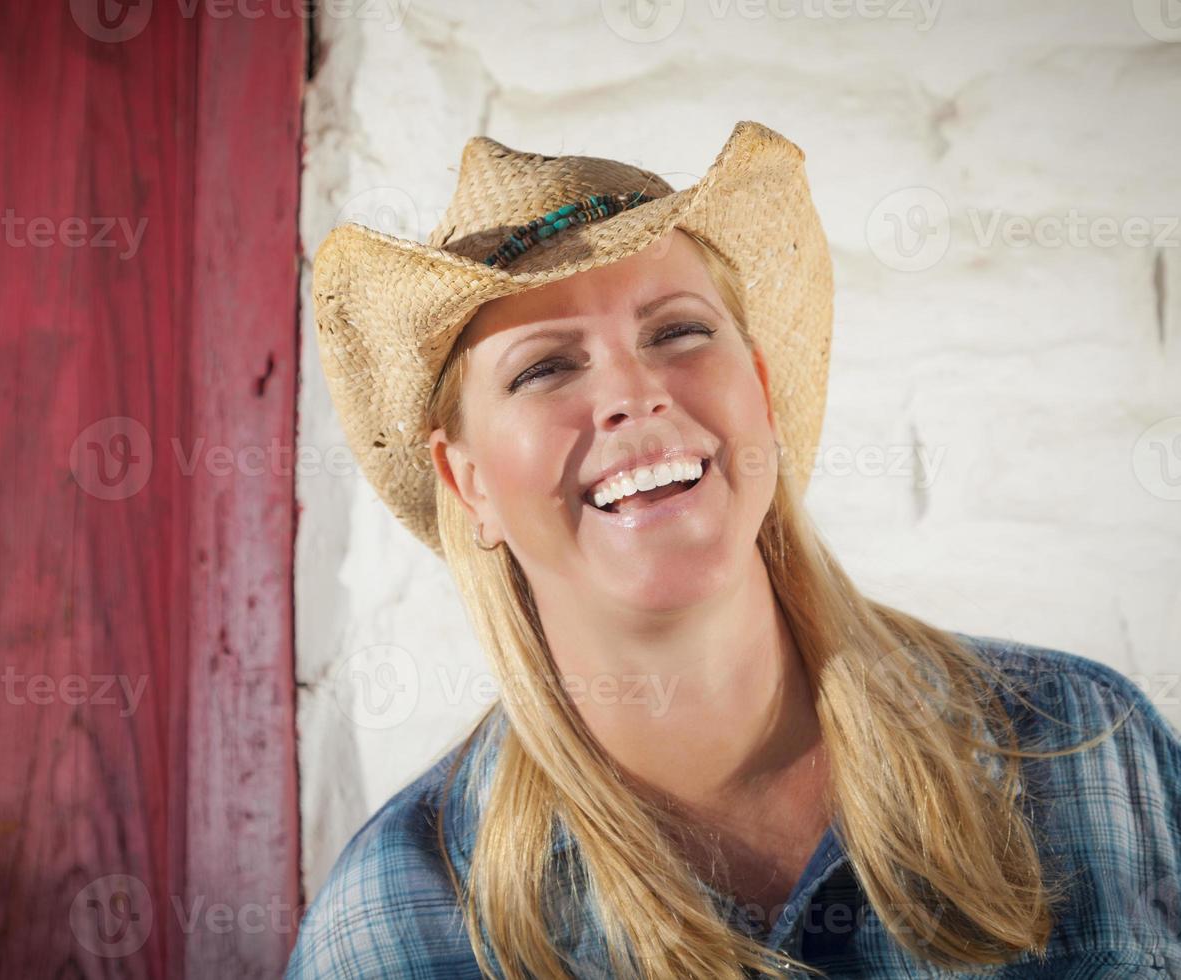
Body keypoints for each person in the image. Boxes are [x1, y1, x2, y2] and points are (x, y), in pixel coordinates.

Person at [287, 121, 1181, 978]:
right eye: (546, 367)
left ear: (757, 387)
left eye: (677, 331)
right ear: (468, 484)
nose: (633, 394)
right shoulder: (393, 922)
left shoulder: (1086, 749)